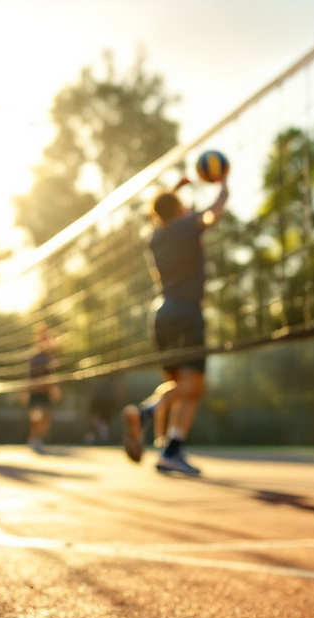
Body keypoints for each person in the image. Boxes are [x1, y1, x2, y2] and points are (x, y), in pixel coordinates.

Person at [122, 174, 228, 475]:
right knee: (193, 387)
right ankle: (147, 415)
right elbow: (213, 214)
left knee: (178, 385)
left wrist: (176, 193)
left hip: (161, 315)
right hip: (186, 314)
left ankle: (167, 449)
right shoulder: (186, 225)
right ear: (179, 208)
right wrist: (223, 187)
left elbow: (165, 212)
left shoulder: (155, 236)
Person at [20, 323, 61, 452]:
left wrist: (54, 388)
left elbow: (51, 375)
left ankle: (38, 439)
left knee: (46, 416)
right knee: (36, 416)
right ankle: (34, 439)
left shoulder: (49, 356)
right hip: (36, 391)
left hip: (45, 391)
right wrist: (25, 391)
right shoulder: (34, 356)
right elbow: (29, 375)